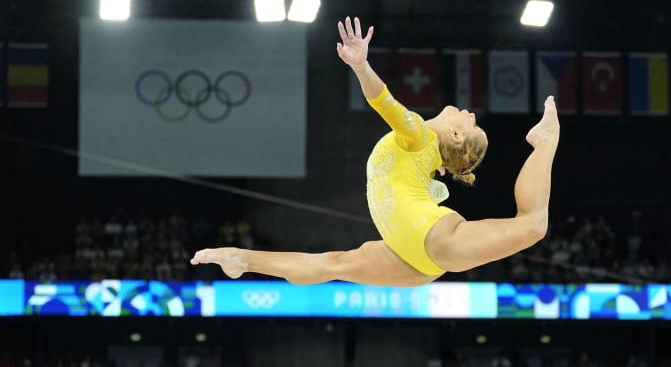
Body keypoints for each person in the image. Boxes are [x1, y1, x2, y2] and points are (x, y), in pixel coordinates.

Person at [190, 16, 559, 287]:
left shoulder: (419, 136)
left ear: (456, 136)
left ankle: (545, 140)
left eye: (472, 124)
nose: (472, 114)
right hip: (413, 258)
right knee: (331, 264)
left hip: (431, 243)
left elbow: (385, 102)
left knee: (533, 224)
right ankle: (241, 260)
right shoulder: (424, 151)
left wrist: (362, 66)